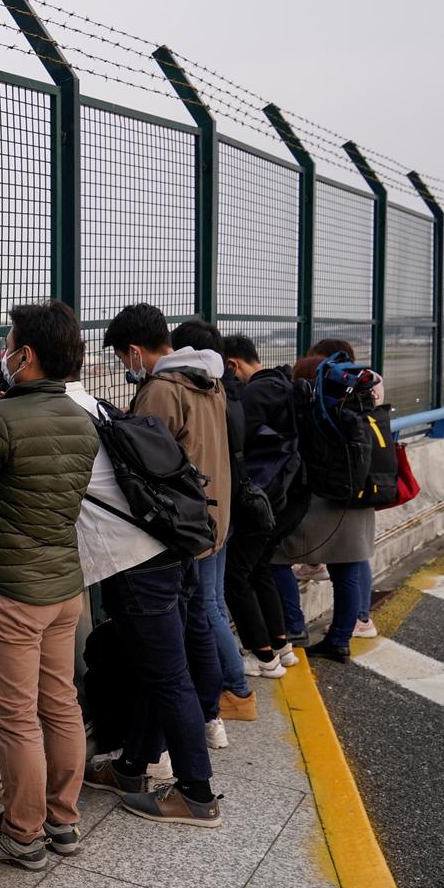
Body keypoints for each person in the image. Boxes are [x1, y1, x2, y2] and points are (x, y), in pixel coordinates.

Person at [0, 300, 98, 869]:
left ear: (24, 355)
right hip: (63, 588)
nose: (3, 354)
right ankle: (63, 820)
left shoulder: (2, 421)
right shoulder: (82, 421)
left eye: (8, 345)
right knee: (60, 703)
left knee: (14, 716)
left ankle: (22, 834)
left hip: (11, 592)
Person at [65, 365, 223, 827]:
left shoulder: (57, 416)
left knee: (168, 677)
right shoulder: (95, 407)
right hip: (169, 547)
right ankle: (132, 768)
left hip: (135, 565)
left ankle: (197, 794)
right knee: (154, 671)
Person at [105, 307, 254, 743]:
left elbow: (145, 459)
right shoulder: (207, 381)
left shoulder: (162, 390)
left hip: (179, 527)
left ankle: (202, 721)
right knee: (203, 618)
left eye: (121, 358)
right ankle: (211, 717)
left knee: (193, 624)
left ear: (134, 351)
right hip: (212, 517)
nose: (124, 367)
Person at [271, 340, 379, 664]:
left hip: (318, 506)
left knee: (272, 559)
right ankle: (339, 641)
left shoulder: (305, 408)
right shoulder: (357, 406)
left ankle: (293, 627)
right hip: (356, 502)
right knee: (346, 572)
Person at [220, 335, 306, 671]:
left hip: (264, 499)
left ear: (232, 364)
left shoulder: (255, 394)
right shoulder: (284, 383)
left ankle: (264, 656)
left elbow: (237, 443)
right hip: (289, 496)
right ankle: (282, 647)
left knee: (236, 575)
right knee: (259, 569)